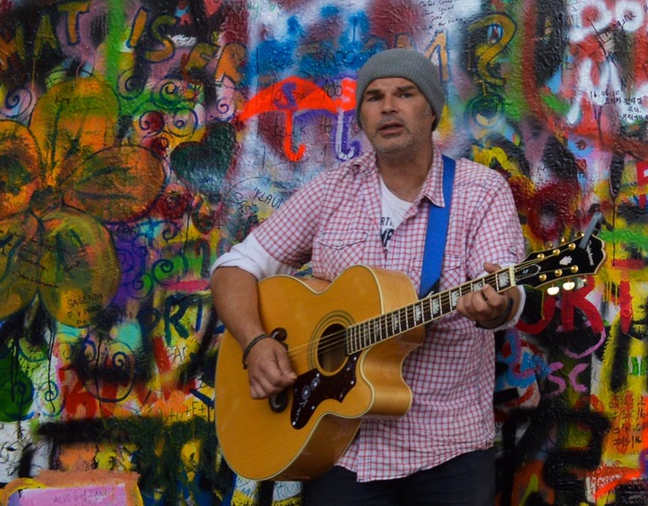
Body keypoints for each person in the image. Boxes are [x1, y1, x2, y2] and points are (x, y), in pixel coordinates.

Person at [210, 49, 525, 506]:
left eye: (405, 93)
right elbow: (235, 268)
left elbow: (506, 286)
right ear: (361, 117)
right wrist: (256, 341)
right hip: (338, 449)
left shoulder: (481, 192)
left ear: (432, 110)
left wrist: (498, 303)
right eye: (374, 97)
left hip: (448, 452)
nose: (388, 107)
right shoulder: (332, 190)